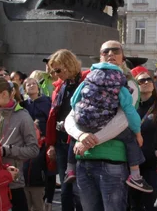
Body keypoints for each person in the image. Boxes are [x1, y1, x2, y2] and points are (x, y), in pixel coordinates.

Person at [63, 41, 146, 211]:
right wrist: (80, 136)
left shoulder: (129, 84)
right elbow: (71, 115)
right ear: (100, 57)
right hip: (83, 161)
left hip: (111, 162)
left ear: (123, 57)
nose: (110, 54)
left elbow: (122, 121)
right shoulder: (89, 80)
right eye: (105, 51)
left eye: (115, 51)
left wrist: (88, 140)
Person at [68, 61, 153, 192]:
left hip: (83, 122)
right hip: (103, 123)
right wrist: (137, 132)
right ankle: (135, 175)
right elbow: (129, 111)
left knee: (75, 137)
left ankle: (70, 169)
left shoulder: (88, 79)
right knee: (130, 138)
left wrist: (82, 114)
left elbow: (73, 100)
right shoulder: (119, 82)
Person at [0, 76, 39, 211]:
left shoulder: (23, 116)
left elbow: (33, 149)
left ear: (3, 94)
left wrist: (7, 150)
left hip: (13, 183)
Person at [45, 49, 84, 211]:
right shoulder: (61, 87)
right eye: (54, 70)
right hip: (61, 143)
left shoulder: (85, 82)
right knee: (66, 190)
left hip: (79, 142)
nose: (56, 74)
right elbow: (53, 116)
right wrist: (51, 144)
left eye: (58, 70)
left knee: (80, 189)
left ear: (69, 65)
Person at [130, 66, 157, 211]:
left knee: (152, 205)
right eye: (141, 80)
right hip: (132, 165)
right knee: (133, 205)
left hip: (153, 164)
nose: (146, 82)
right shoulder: (130, 108)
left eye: (149, 79)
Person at [22, 77, 55, 211]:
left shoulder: (47, 101)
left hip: (45, 140)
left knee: (49, 171)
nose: (31, 86)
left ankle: (49, 201)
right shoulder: (23, 105)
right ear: (24, 89)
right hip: (28, 141)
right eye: (28, 84)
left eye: (34, 83)